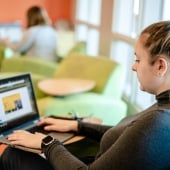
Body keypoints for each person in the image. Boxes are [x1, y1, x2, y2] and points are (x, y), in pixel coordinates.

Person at [1, 20, 170, 170]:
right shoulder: (162, 109)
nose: (134, 67)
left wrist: (47, 143)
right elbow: (127, 137)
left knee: (13, 154)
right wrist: (78, 126)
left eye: (138, 60)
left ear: (160, 66)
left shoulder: (158, 122)